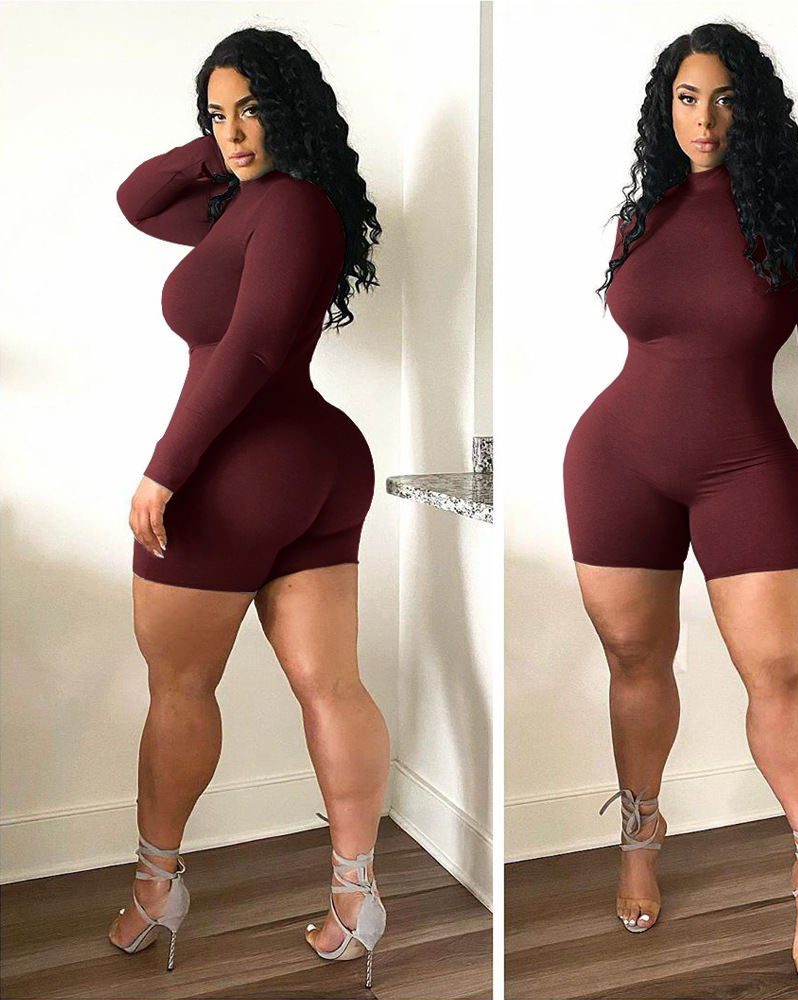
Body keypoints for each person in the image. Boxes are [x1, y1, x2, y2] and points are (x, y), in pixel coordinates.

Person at [563, 22, 798, 992]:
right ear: (665, 107)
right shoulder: (643, 213)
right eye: (687, 97)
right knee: (633, 659)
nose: (704, 118)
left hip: (745, 464)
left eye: (726, 98)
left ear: (756, 109)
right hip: (614, 461)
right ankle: (639, 835)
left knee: (779, 672)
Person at [107, 27, 389, 988]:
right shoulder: (258, 202)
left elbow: (254, 348)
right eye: (216, 114)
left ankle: (156, 890)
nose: (231, 132)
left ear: (291, 110)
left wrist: (166, 469)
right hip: (318, 463)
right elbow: (137, 201)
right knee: (332, 686)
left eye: (251, 109)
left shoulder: (291, 206)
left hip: (238, 472)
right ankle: (356, 901)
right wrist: (223, 142)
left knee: (179, 690)